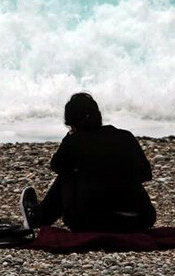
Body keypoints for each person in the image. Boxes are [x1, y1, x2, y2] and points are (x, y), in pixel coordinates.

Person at [19, 92, 156, 232]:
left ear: (71, 123)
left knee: (67, 175)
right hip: (139, 220)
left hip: (89, 223)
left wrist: (71, 140)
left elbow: (56, 165)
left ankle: (38, 218)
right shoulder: (125, 136)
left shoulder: (75, 142)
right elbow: (146, 174)